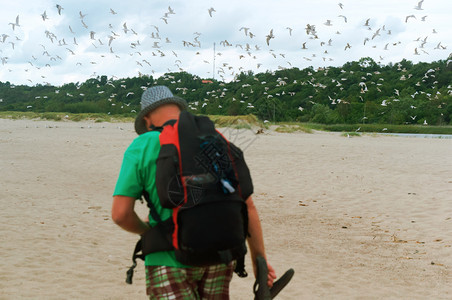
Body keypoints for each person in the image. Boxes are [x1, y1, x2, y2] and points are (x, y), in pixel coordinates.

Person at [112, 85, 276, 299]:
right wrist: (259, 263)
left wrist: (147, 231)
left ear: (147, 120)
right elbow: (247, 205)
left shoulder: (142, 145)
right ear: (178, 108)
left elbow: (120, 214)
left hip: (168, 260)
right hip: (220, 258)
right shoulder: (215, 139)